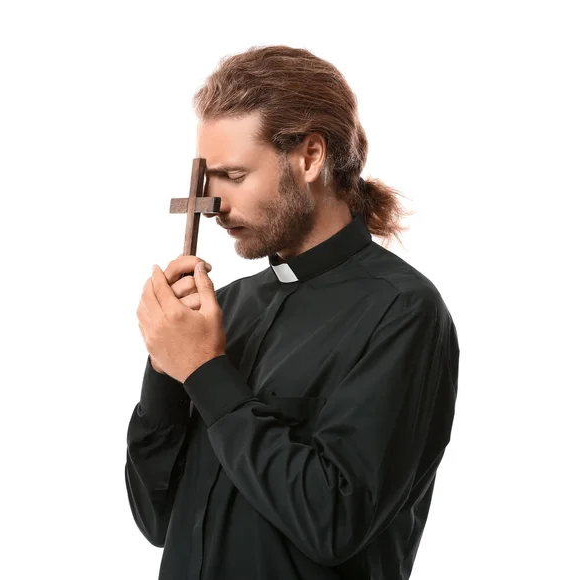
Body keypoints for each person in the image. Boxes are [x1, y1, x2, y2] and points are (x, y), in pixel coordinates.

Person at [126, 45, 459, 580]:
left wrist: (206, 373)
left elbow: (334, 525)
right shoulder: (228, 305)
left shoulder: (401, 310)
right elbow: (157, 520)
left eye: (234, 176)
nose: (214, 205)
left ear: (309, 157)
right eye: (207, 179)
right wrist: (167, 369)